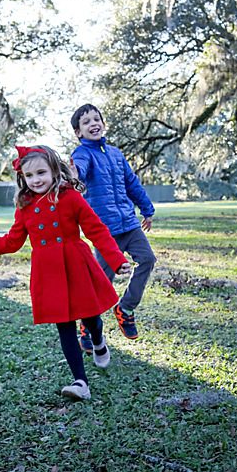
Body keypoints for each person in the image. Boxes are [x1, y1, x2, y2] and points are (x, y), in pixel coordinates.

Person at [0, 144, 130, 402]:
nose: (36, 180)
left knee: (90, 318)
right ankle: (80, 382)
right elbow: (12, 241)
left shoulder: (71, 197)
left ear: (55, 170)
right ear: (23, 178)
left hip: (76, 263)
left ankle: (98, 341)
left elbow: (96, 230)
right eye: (29, 176)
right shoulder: (25, 206)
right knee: (64, 326)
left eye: (41, 172)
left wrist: (116, 260)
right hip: (48, 271)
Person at [69, 103, 157, 344]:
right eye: (86, 122)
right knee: (102, 281)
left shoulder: (116, 154)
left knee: (147, 260)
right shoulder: (82, 154)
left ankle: (125, 309)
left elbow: (132, 183)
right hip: (106, 231)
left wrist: (147, 209)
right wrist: (74, 174)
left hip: (129, 223)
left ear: (103, 124)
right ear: (78, 132)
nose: (93, 124)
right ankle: (88, 327)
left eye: (96, 119)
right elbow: (80, 172)